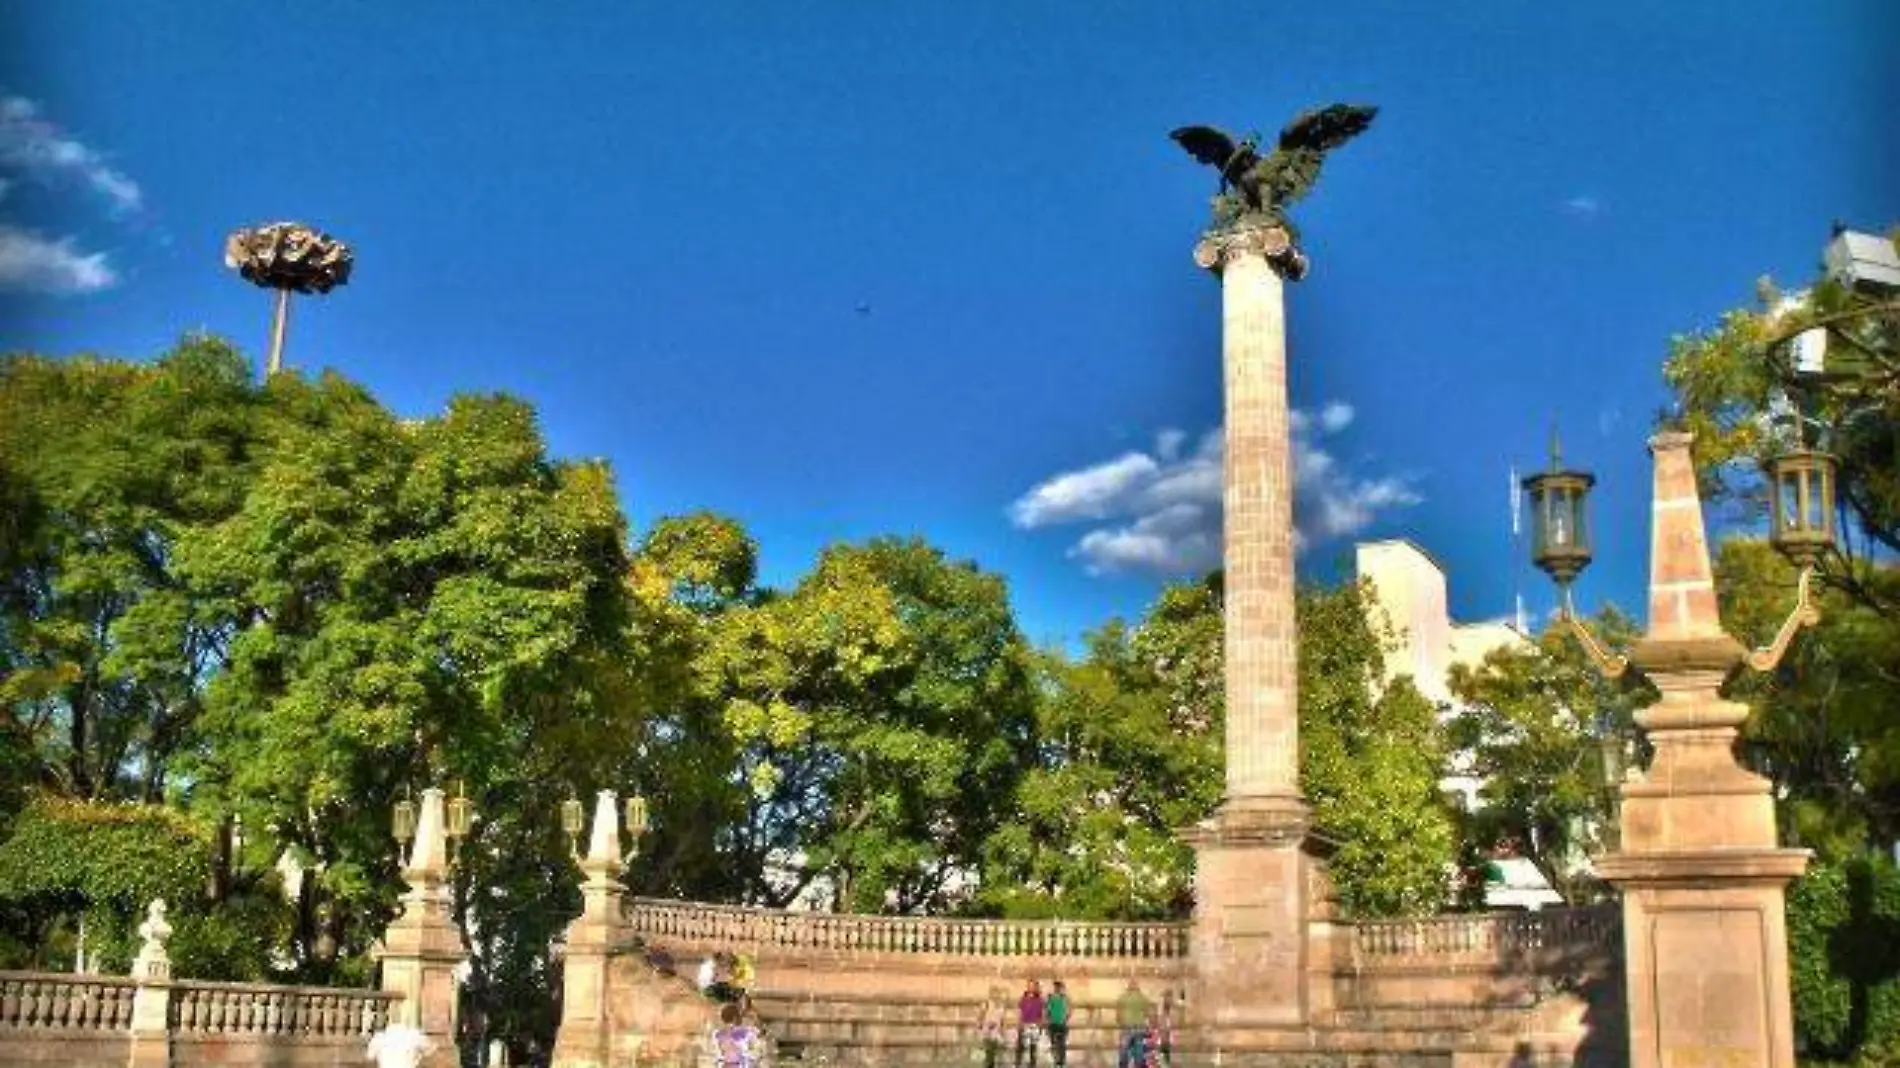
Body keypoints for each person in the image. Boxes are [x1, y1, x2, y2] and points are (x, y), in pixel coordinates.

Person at [1115, 980, 1150, 1068]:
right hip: (1139, 1027)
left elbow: (1118, 1015)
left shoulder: (1122, 997)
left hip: (1127, 1027)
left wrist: (1121, 1022)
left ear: (1128, 987)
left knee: (1124, 1052)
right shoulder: (1143, 997)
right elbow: (1146, 1013)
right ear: (1137, 987)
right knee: (1139, 1052)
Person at [1016, 978, 1046, 1068]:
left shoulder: (1039, 999)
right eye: (1029, 985)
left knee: (1033, 1047)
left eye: (1032, 986)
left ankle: (1032, 1065)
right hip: (1025, 1023)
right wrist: (1019, 1023)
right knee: (1021, 1046)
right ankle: (1018, 1064)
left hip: (1034, 1024)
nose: (1030, 987)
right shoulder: (1023, 998)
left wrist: (1040, 1024)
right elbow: (1020, 1011)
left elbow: (1042, 1012)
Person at [1045, 979, 1071, 1068]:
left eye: (1059, 987)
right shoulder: (1050, 998)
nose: (1057, 989)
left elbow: (1069, 1010)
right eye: (1056, 987)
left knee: (1062, 1044)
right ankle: (1055, 1061)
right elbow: (1047, 1010)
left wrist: (1065, 1019)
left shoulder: (1064, 998)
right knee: (1054, 1044)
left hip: (1062, 1024)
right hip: (1053, 1024)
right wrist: (1049, 1020)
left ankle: (1061, 1062)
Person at [977, 990, 1006, 1068]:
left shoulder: (1001, 1006)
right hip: (987, 1032)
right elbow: (980, 1016)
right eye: (994, 995)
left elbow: (1002, 1020)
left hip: (997, 1034)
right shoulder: (986, 1004)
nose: (995, 997)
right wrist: (983, 1025)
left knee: (995, 1054)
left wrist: (1003, 1031)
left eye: (997, 995)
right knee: (988, 1054)